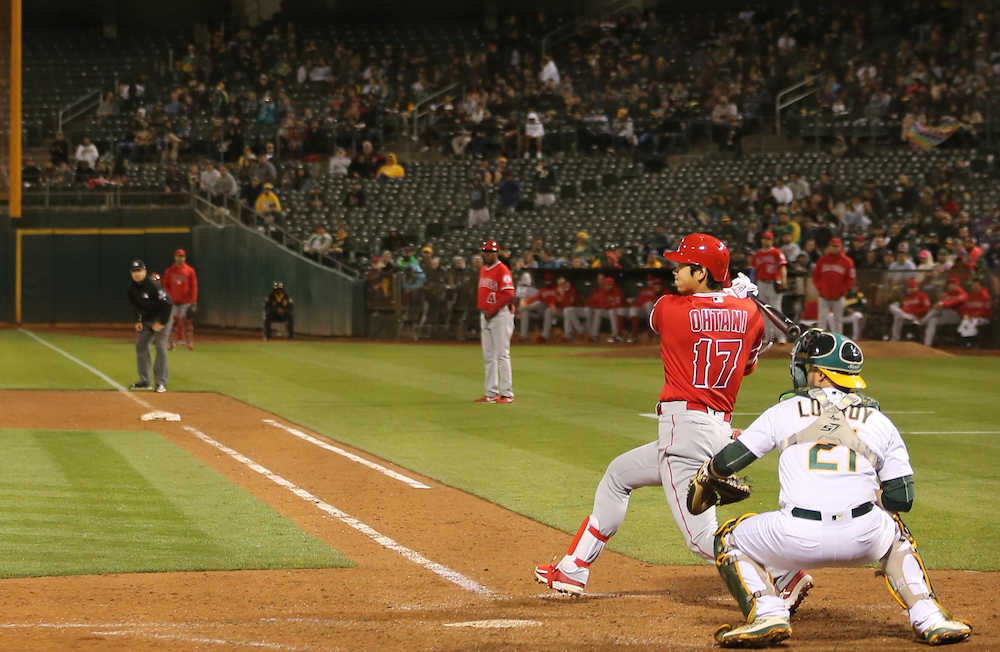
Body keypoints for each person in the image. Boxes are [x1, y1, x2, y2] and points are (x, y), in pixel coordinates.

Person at [534, 234, 811, 608]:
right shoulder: (750, 314)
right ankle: (574, 567)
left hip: (685, 431)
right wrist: (734, 297)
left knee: (703, 540)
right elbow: (747, 366)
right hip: (716, 429)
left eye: (683, 266)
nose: (674, 270)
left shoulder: (670, 308)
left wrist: (725, 293)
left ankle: (783, 572)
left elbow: (669, 317)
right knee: (618, 475)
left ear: (701, 272)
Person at [701, 329, 972, 647]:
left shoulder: (783, 412)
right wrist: (875, 498)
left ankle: (768, 612)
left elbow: (725, 463)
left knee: (729, 538)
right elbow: (902, 497)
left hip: (795, 537)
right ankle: (930, 617)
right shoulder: (878, 420)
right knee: (896, 529)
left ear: (817, 374)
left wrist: (706, 476)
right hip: (864, 540)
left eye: (806, 367)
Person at [474, 240, 515, 404]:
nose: (486, 254)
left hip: (500, 316)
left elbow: (508, 294)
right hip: (486, 316)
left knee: (502, 355)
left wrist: (492, 310)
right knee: (488, 356)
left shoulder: (503, 270)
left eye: (490, 251)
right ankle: (491, 393)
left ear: (496, 253)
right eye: (484, 251)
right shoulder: (483, 269)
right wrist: (484, 310)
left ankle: (507, 394)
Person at [127, 259, 172, 392]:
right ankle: (145, 381)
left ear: (144, 271)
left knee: (160, 347)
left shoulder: (153, 285)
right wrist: (137, 321)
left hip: (162, 318)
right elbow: (135, 307)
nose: (136, 274)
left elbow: (168, 303)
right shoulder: (131, 288)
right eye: (134, 271)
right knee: (141, 346)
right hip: (147, 319)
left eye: (139, 271)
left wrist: (162, 322)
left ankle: (161, 383)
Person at [811, 238, 856, 334]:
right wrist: (820, 289)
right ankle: (820, 341)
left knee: (838, 321)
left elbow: (850, 278)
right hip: (824, 296)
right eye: (832, 246)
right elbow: (815, 276)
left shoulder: (847, 261)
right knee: (821, 320)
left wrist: (843, 291)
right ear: (829, 247)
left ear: (840, 247)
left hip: (839, 297)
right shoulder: (822, 260)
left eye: (836, 246)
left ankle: (838, 343)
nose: (834, 248)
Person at [750, 231, 788, 342]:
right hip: (762, 283)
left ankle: (781, 337)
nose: (766, 241)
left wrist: (783, 280)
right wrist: (753, 285)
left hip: (774, 283)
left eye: (768, 239)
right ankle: (768, 337)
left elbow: (782, 268)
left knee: (776, 310)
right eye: (764, 239)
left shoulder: (776, 252)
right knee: (764, 311)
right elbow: (754, 271)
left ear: (772, 241)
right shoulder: (757, 255)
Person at [162, 249, 198, 351]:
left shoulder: (190, 271)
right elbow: (165, 286)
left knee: (187, 323)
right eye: (178, 256)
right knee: (172, 323)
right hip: (173, 302)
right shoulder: (169, 271)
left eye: (182, 256)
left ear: (185, 258)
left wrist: (193, 300)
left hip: (186, 302)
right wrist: (169, 298)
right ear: (175, 257)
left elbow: (194, 286)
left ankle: (189, 343)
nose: (180, 258)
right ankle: (171, 343)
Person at [920, 277, 966, 347]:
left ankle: (922, 322)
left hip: (957, 315)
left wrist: (941, 304)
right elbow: (941, 302)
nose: (951, 285)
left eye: (953, 284)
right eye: (950, 284)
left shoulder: (962, 294)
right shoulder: (947, 294)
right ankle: (927, 344)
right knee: (933, 320)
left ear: (957, 285)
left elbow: (953, 303)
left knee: (937, 308)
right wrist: (939, 304)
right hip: (945, 315)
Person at [956, 278, 991, 346]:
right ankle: (968, 342)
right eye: (973, 286)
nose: (974, 287)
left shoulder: (985, 296)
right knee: (965, 322)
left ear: (981, 286)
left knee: (971, 322)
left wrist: (974, 316)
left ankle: (972, 342)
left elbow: (986, 311)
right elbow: (965, 309)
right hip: (971, 317)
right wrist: (965, 315)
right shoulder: (970, 296)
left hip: (983, 318)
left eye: (976, 286)